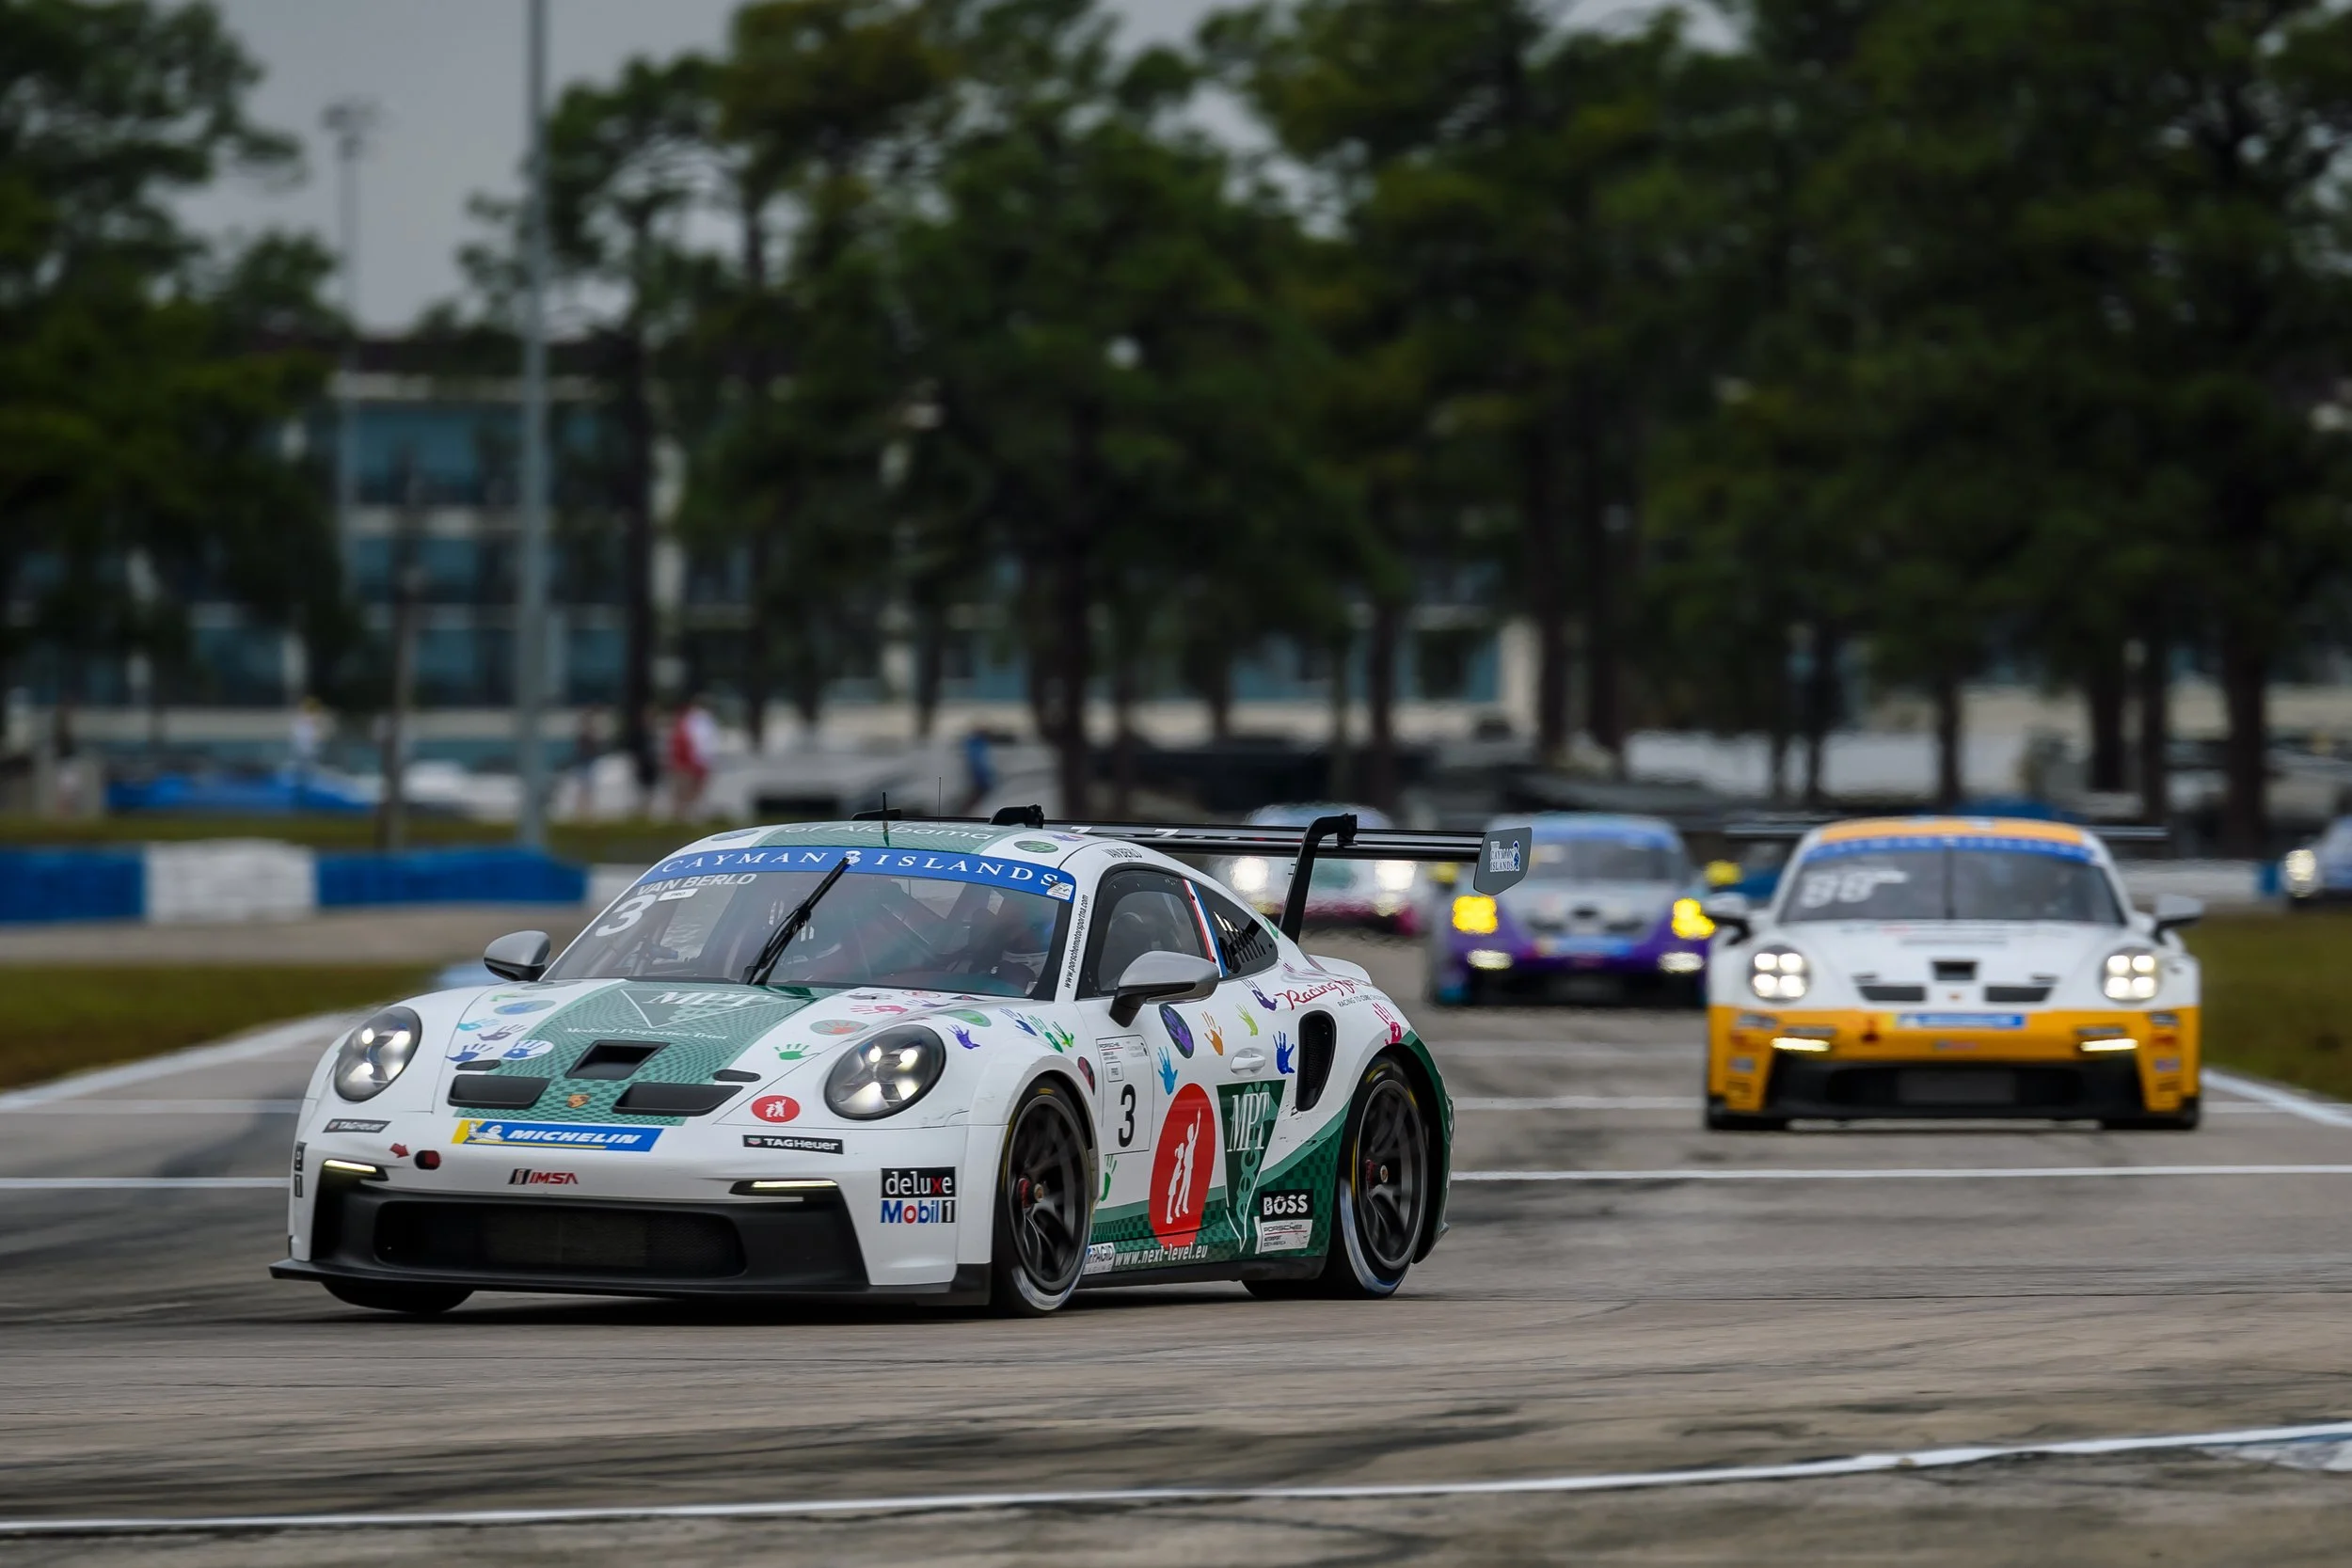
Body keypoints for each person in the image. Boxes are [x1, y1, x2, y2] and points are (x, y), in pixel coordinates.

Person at [667, 693, 717, 817]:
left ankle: (686, 817)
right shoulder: (695, 721)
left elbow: (702, 743)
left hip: (692, 763)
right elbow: (700, 743)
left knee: (688, 795)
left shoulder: (696, 720)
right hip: (690, 763)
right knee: (686, 795)